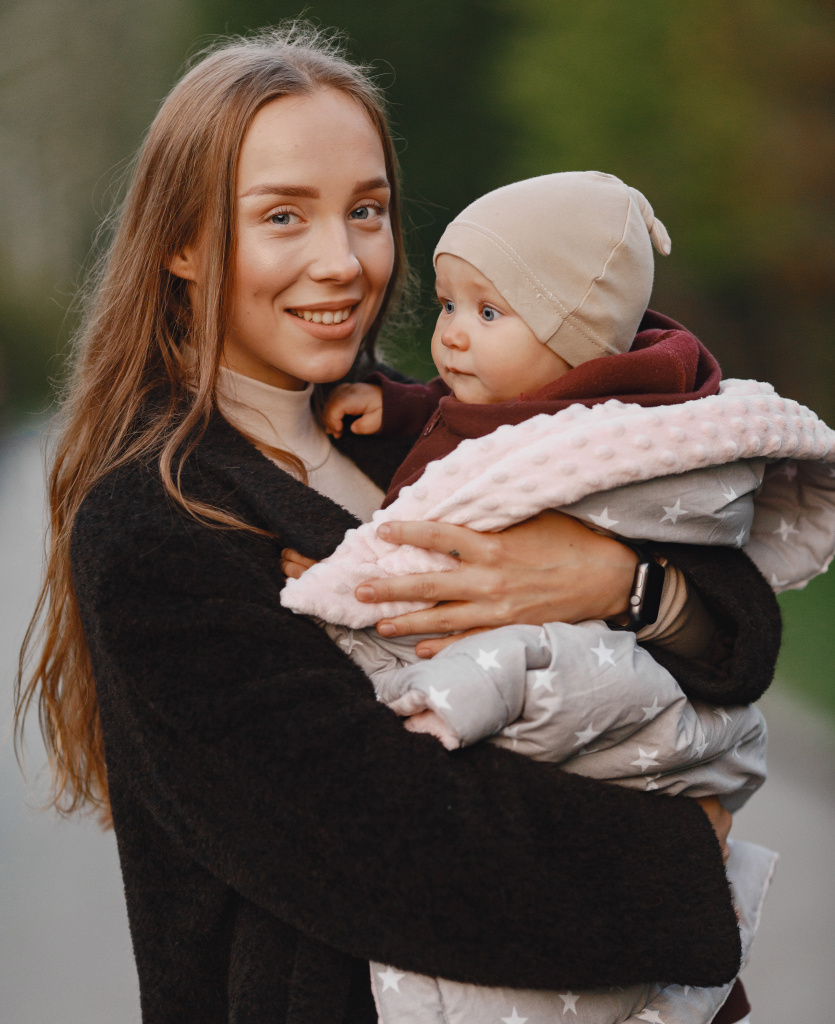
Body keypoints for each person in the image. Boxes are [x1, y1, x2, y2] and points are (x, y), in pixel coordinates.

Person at [15, 26, 782, 1024]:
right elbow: (379, 838)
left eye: (366, 210)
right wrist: (688, 854)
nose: (341, 260)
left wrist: (614, 582)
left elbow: (738, 628)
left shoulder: (410, 430)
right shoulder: (155, 522)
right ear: (185, 244)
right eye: (283, 216)